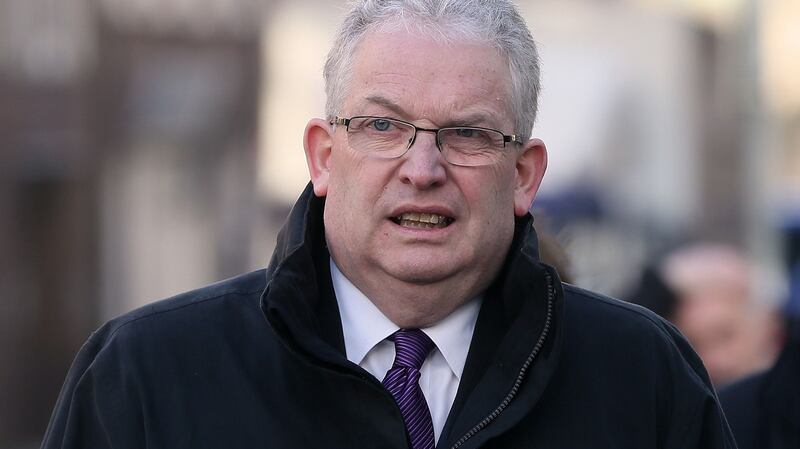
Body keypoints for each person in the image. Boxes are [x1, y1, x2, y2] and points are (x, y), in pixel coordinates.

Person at [41, 1, 737, 448]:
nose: (422, 166)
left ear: (524, 174)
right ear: (322, 154)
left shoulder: (642, 379)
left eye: (466, 133)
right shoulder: (147, 376)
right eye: (382, 125)